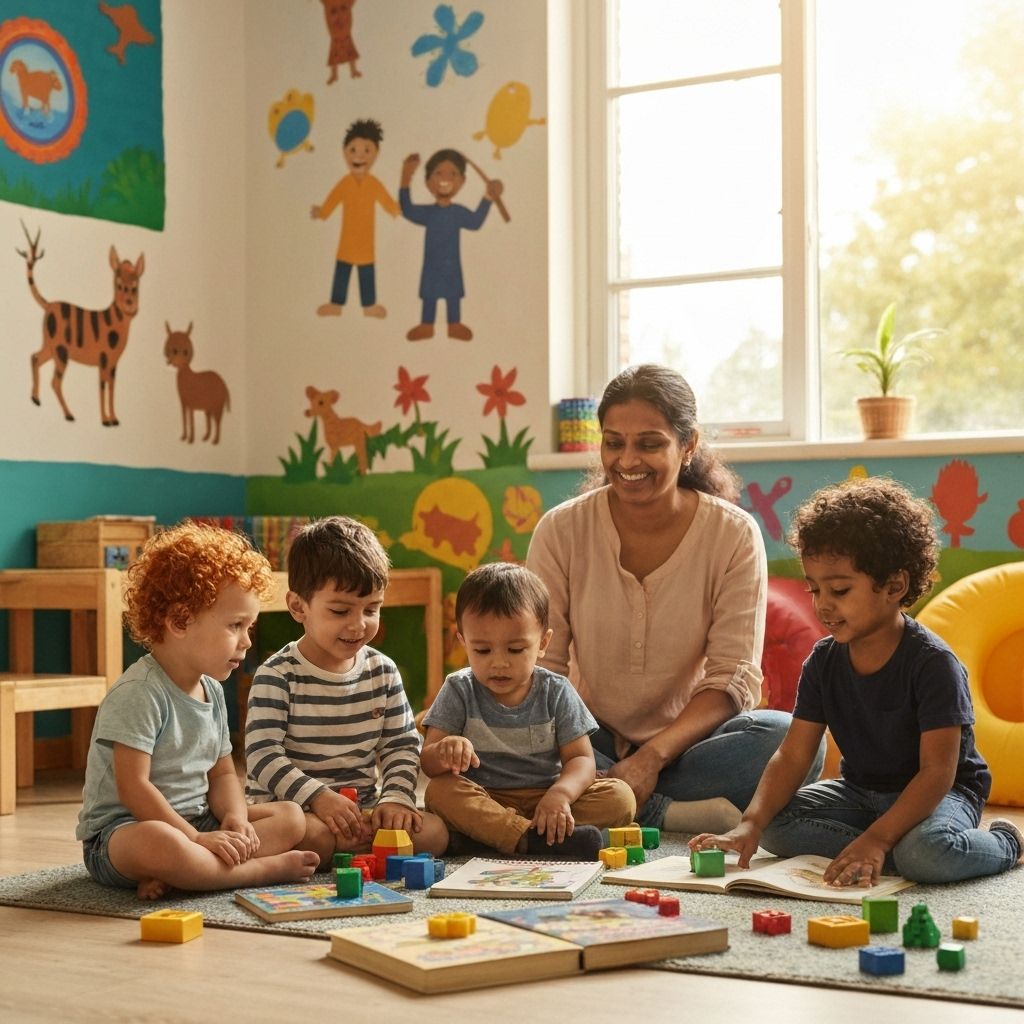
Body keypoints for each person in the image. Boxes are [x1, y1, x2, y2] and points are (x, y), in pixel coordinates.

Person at [526, 364, 819, 834]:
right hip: (585, 741)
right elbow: (544, 672)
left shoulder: (733, 534)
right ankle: (663, 811)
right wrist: (569, 753)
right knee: (502, 739)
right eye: (613, 442)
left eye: (649, 443)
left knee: (790, 740)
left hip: (690, 743)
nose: (627, 460)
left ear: (688, 446)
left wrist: (652, 757)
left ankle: (613, 801)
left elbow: (731, 678)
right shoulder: (561, 530)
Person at [690, 478, 1023, 884]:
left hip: (941, 794)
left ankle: (1006, 842)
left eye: (840, 590)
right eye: (814, 589)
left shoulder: (934, 664)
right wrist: (751, 823)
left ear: (894, 586)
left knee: (926, 853)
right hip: (861, 794)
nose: (823, 605)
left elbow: (937, 772)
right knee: (776, 825)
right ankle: (890, 846)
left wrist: (879, 840)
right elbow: (793, 756)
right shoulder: (823, 661)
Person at [76, 522, 318, 899]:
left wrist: (235, 817)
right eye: (235, 625)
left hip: (198, 818)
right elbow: (134, 788)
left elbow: (222, 773)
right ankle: (253, 871)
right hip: (126, 831)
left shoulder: (212, 689)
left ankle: (189, 873)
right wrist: (195, 838)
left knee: (290, 816)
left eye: (249, 626)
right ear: (180, 621)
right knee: (160, 842)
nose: (246, 641)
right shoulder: (140, 692)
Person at [245, 516, 448, 864]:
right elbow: (263, 757)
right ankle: (339, 847)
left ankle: (353, 845)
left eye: (372, 609)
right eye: (340, 611)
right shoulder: (277, 675)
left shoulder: (382, 671)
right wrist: (320, 798)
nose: (359, 624)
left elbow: (400, 745)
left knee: (435, 833)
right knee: (315, 837)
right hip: (297, 811)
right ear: (298, 607)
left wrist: (395, 799)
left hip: (362, 810)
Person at [421, 562, 636, 858]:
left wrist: (560, 795)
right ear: (463, 642)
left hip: (545, 797)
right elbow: (429, 765)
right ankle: (530, 839)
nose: (499, 663)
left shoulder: (556, 690)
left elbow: (581, 759)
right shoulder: (459, 689)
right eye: (482, 650)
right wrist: (444, 750)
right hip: (486, 798)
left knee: (621, 797)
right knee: (439, 792)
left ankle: (492, 837)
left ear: (543, 643)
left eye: (515, 649)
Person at [399, 148, 502, 342]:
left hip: (451, 265)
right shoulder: (428, 213)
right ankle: (426, 325)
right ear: (428, 181)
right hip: (431, 266)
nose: (445, 178)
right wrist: (405, 177)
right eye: (438, 173)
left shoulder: (458, 213)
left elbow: (475, 222)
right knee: (429, 294)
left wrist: (488, 198)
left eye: (452, 174)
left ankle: (454, 324)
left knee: (453, 293)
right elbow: (407, 210)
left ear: (461, 181)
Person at [312, 118, 398, 318]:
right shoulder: (345, 183)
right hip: (347, 241)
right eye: (353, 150)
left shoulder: (374, 183)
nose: (359, 156)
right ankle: (336, 304)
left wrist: (394, 209)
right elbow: (333, 199)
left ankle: (369, 306)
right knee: (342, 271)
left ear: (376, 153)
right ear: (344, 152)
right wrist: (323, 212)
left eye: (366, 151)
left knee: (366, 272)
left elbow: (385, 199)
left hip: (366, 242)